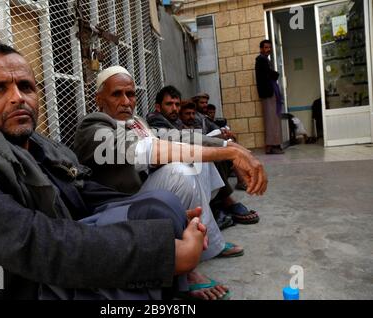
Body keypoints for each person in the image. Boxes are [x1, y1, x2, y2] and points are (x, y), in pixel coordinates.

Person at [0, 43, 209, 300]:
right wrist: (161, 253)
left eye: (26, 87)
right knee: (149, 255)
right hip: (22, 284)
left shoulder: (38, 146)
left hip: (59, 246)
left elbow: (82, 192)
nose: (17, 98)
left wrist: (166, 221)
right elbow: (35, 242)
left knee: (163, 207)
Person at [74, 69, 267, 299]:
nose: (126, 102)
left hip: (147, 197)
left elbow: (177, 138)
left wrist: (228, 145)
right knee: (179, 172)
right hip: (119, 208)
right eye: (117, 94)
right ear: (99, 99)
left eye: (131, 94)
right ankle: (187, 271)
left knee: (199, 161)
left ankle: (209, 245)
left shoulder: (137, 122)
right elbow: (148, 150)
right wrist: (226, 154)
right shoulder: (92, 127)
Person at [151, 86, 259, 225]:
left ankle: (217, 205)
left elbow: (190, 136)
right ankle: (221, 205)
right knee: (207, 155)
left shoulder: (176, 120)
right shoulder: (156, 120)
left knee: (212, 153)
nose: (174, 108)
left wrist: (224, 144)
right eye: (169, 104)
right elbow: (181, 139)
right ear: (158, 107)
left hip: (179, 160)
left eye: (177, 104)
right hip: (165, 170)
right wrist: (224, 146)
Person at [255, 39, 284, 155]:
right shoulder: (262, 59)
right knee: (271, 120)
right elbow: (268, 74)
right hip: (268, 93)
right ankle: (272, 146)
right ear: (261, 49)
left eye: (269, 47)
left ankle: (272, 145)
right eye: (266, 47)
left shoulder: (264, 60)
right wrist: (276, 74)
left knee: (272, 120)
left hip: (269, 93)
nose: (268, 50)